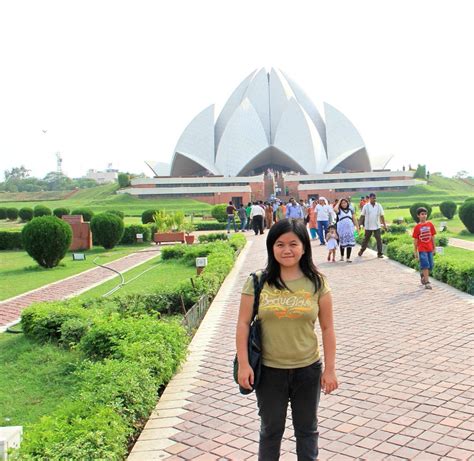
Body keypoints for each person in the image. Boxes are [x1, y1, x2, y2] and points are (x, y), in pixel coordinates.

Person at [236, 219, 338, 460]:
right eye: (280, 244)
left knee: (307, 431)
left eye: (294, 243)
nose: (287, 250)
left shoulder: (317, 282)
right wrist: (243, 364)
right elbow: (242, 324)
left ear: (304, 247)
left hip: (308, 370)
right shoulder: (258, 281)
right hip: (270, 371)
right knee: (270, 431)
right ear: (272, 247)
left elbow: (327, 327)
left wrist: (330, 370)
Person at [412, 207, 436, 290]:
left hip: (429, 248)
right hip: (422, 249)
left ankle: (423, 275)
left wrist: (434, 248)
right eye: (422, 214)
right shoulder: (417, 227)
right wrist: (415, 252)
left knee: (431, 265)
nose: (424, 216)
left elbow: (432, 236)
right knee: (425, 265)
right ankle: (427, 282)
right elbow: (415, 240)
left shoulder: (430, 225)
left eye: (425, 214)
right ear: (418, 216)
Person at [358, 193, 387, 258]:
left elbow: (382, 216)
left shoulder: (379, 205)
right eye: (373, 198)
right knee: (366, 239)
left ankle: (379, 253)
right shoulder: (366, 206)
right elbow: (362, 216)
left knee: (379, 239)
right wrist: (359, 225)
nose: (374, 199)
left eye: (375, 198)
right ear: (370, 198)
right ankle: (362, 250)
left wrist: (384, 225)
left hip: (377, 226)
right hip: (368, 226)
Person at [333, 198, 359, 262]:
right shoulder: (339, 211)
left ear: (347, 203)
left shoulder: (350, 211)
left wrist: (357, 227)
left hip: (350, 228)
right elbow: (334, 209)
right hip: (342, 229)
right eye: (342, 203)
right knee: (342, 243)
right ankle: (342, 257)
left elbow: (354, 219)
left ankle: (348, 258)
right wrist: (339, 201)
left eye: (345, 203)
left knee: (349, 243)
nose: (344, 204)